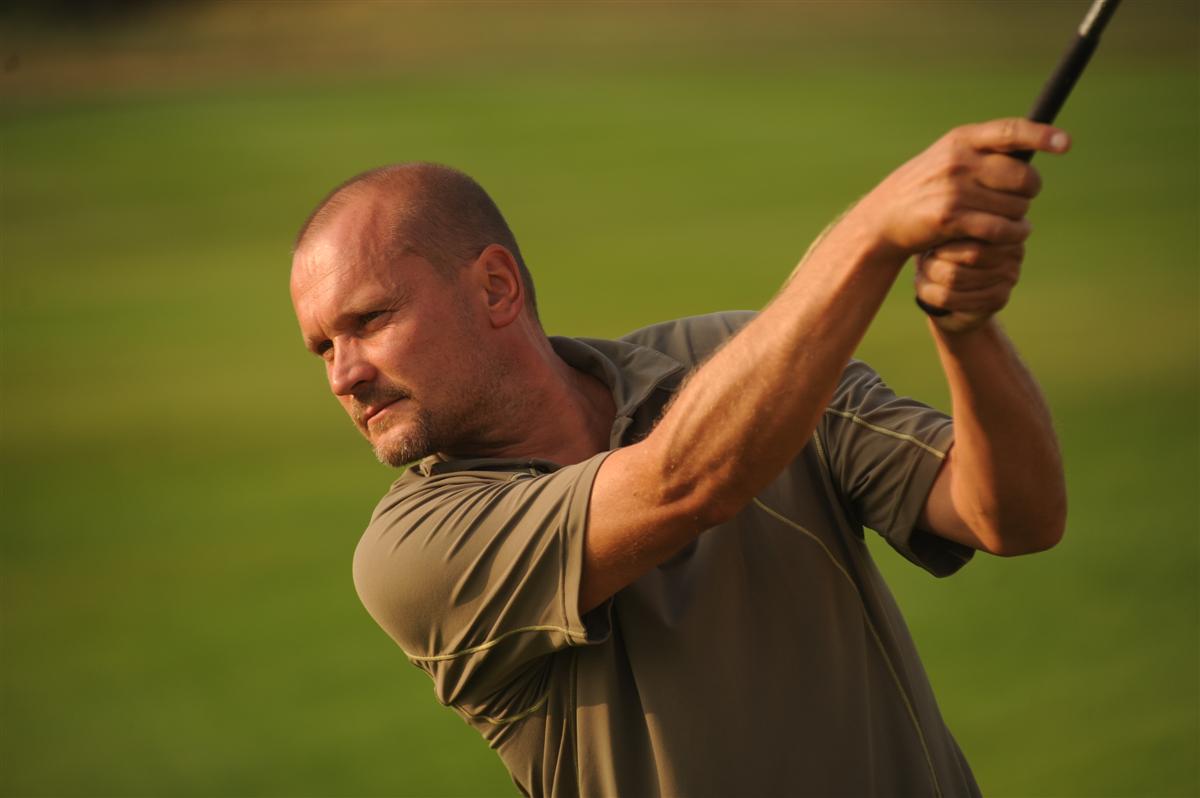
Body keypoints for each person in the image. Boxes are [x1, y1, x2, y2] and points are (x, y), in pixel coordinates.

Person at [289, 117, 1068, 797]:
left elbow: (1014, 516)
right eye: (323, 347)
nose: (343, 376)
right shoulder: (413, 553)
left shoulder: (741, 357)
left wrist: (964, 327)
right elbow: (684, 484)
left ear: (495, 288)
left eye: (370, 320)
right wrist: (872, 233)